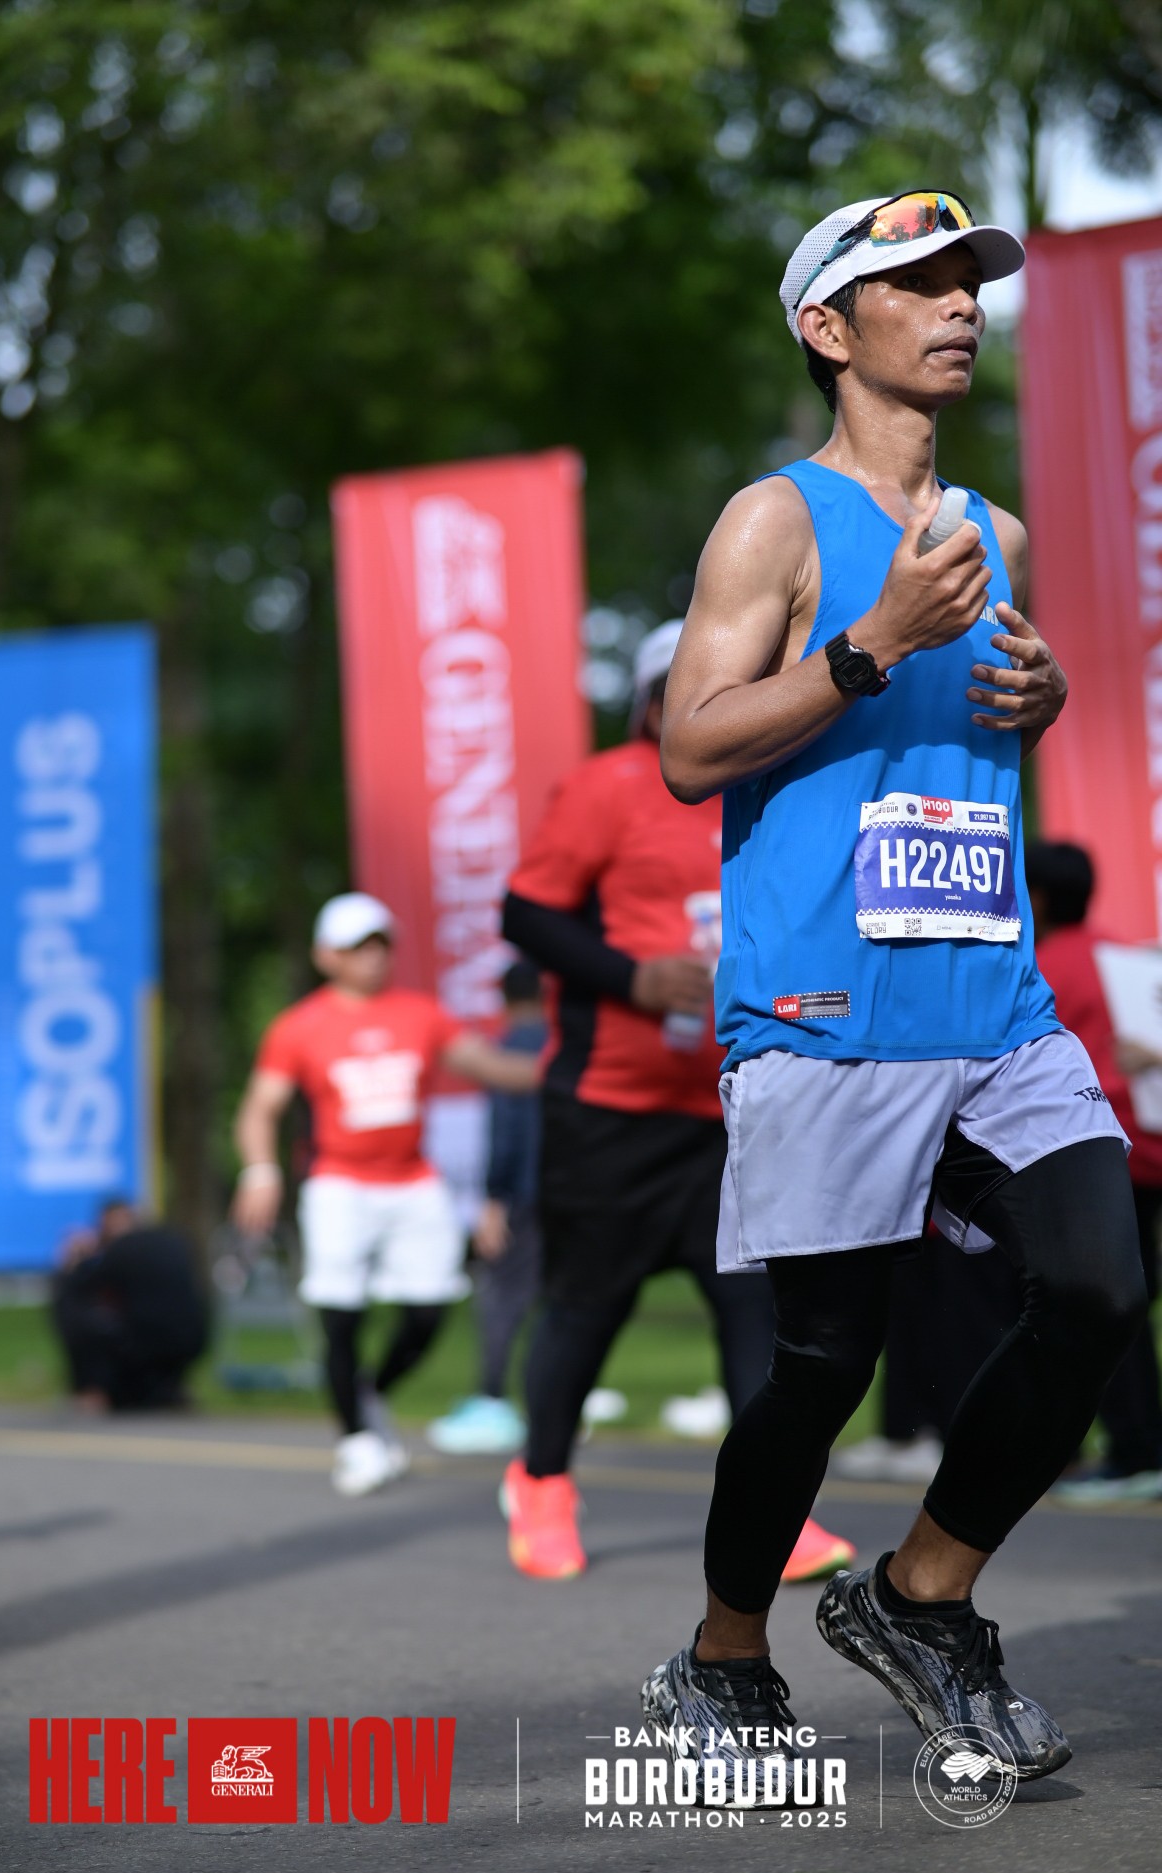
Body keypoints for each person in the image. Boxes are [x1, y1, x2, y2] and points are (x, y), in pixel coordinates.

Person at [641, 189, 1146, 1790]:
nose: (959, 305)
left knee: (1099, 1286)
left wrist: (1039, 694)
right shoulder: (773, 522)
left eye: (965, 283)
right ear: (827, 326)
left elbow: (970, 730)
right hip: (825, 1009)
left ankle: (922, 1594)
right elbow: (688, 747)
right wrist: (868, 641)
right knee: (825, 1357)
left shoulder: (997, 531)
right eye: (917, 283)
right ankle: (725, 1651)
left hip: (992, 1000)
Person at [497, 621, 855, 1582]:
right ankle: (541, 1482)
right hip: (610, 1108)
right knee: (587, 1305)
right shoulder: (608, 783)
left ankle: (776, 1509)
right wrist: (632, 978)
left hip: (739, 1109)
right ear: (657, 701)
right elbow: (524, 911)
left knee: (753, 1313)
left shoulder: (781, 790)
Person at [231, 891, 539, 1497]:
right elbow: (259, 1109)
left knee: (429, 1310)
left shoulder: (421, 1015)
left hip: (413, 1181)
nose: (371, 957)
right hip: (339, 1184)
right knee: (341, 1314)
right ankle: (357, 1440)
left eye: (379, 945)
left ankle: (368, 1392)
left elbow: (492, 1065)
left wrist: (567, 1071)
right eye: (356, 947)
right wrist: (260, 1171)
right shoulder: (299, 1026)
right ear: (327, 956)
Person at [1026, 840, 1162, 1501]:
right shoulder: (1122, 955)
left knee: (1098, 1303)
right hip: (1150, 1141)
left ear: (1038, 897)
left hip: (1093, 1146)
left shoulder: (1040, 966)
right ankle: (1135, 1445)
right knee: (1132, 1299)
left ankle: (1132, 1450)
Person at [427, 960, 548, 1455]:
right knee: (561, 1302)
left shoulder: (508, 1053)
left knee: (502, 1298)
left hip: (524, 1193)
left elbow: (508, 1132)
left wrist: (494, 1199)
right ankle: (557, 1401)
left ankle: (493, 1400)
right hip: (572, 1194)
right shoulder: (565, 1046)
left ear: (505, 999)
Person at [51, 1200, 209, 1412]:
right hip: (194, 1338)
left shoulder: (121, 1248)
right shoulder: (173, 1240)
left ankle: (93, 1392)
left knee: (73, 1309)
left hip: (145, 1341)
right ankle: (168, 1389)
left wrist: (75, 1259)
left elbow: (80, 1285)